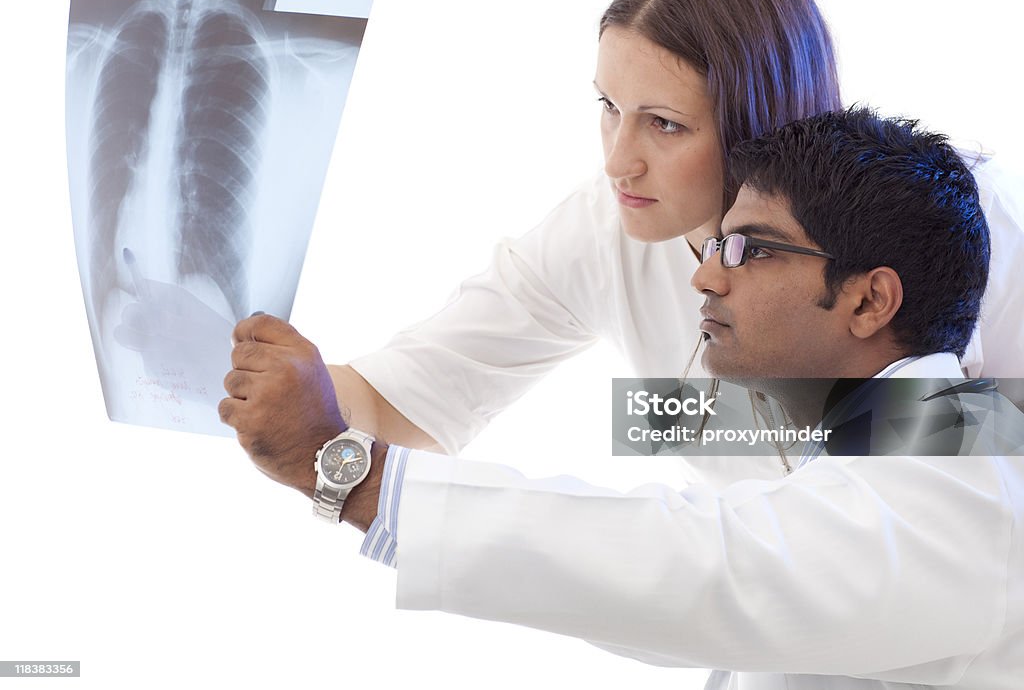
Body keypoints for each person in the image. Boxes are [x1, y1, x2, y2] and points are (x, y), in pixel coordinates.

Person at [220, 107, 1021, 688]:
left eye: (749, 250)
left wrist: (347, 472)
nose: (706, 275)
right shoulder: (885, 443)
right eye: (715, 245)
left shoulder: (962, 477)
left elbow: (706, 569)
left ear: (869, 300)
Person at [324, 0, 1024, 464]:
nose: (616, 160)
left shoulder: (956, 212)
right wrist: (249, 370)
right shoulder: (608, 227)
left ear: (757, 122)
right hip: (762, 622)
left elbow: (1005, 448)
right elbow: (400, 402)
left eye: (665, 124)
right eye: (609, 107)